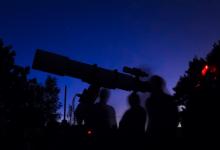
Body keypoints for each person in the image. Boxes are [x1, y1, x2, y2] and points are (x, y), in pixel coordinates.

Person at [145, 75, 178, 147]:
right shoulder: (169, 99)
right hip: (166, 136)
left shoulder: (150, 101)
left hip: (159, 137)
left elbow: (153, 119)